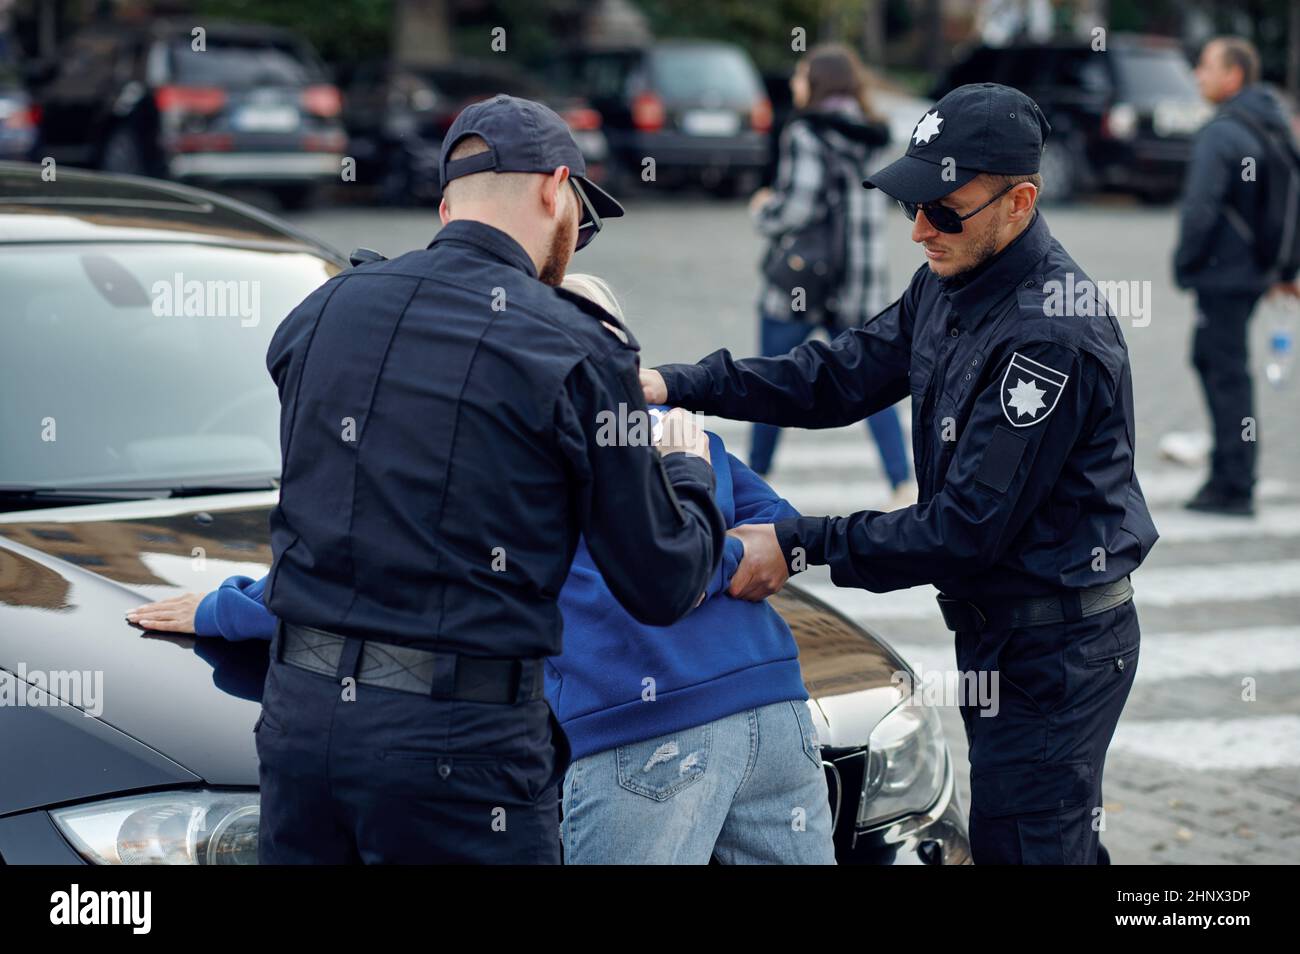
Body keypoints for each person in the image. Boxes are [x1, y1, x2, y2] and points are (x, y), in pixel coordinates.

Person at [130, 273, 837, 866]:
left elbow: (376, 576)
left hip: (643, 738)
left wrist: (225, 609)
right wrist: (715, 549)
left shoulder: (517, 460)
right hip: (777, 718)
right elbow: (780, 536)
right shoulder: (687, 437)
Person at [641, 83, 1160, 864]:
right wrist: (679, 385)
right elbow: (838, 376)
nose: (920, 228)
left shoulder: (1049, 338)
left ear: (1020, 202)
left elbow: (962, 530)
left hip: (1058, 647)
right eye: (911, 203)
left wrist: (796, 542)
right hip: (1005, 632)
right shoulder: (952, 279)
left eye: (944, 209)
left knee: (1026, 845)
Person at [230, 94, 726, 864]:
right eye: (581, 219)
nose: (576, 242)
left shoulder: (321, 310)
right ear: (554, 188)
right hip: (458, 746)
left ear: (445, 203)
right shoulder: (576, 348)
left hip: (299, 725)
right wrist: (687, 475)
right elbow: (659, 582)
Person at [749, 44, 916, 508]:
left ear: (818, 82)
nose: (794, 83)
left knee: (772, 381)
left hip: (802, 282)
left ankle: (754, 480)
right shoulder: (875, 134)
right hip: (859, 283)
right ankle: (902, 484)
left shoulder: (804, 132)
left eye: (801, 75)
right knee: (871, 382)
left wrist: (763, 211)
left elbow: (798, 208)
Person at [1175, 36, 1300, 516]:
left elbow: (1200, 209)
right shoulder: (1271, 122)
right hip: (1252, 273)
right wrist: (1283, 268)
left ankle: (1232, 483)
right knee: (1224, 366)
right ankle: (1233, 472)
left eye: (1206, 66)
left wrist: (1185, 263)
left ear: (1233, 76)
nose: (1197, 76)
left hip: (1222, 275)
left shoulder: (1222, 132)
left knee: (1222, 371)